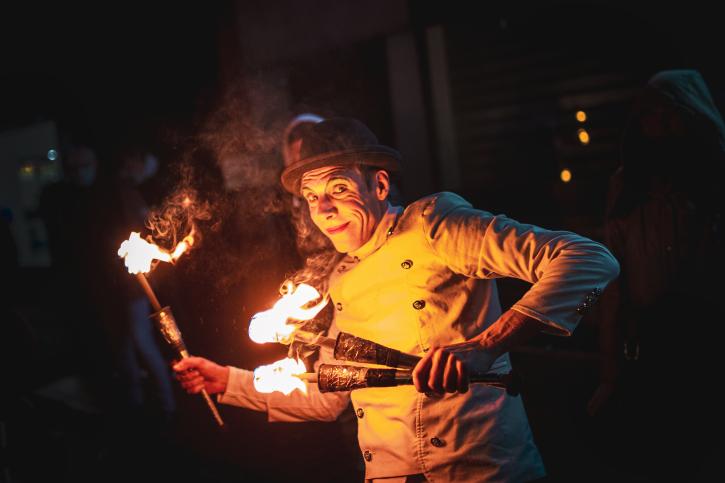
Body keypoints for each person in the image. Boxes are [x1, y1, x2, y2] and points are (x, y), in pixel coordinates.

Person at [174, 117, 620, 482]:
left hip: (481, 469)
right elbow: (331, 395)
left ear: (380, 186)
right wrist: (229, 382)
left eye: (338, 190)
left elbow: (590, 260)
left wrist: (487, 346)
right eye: (312, 198)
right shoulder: (341, 276)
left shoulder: (432, 224)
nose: (323, 210)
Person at [588, 70, 725, 480]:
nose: (660, 126)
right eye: (650, 116)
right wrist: (609, 373)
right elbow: (613, 280)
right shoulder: (628, 186)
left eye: (671, 115)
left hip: (708, 341)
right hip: (651, 347)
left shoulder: (713, 178)